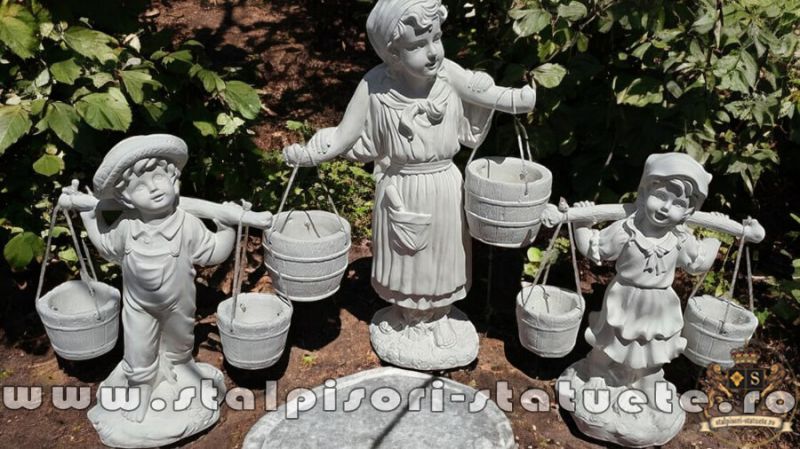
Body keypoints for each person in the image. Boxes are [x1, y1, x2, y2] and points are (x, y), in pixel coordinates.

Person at [283, 0, 535, 366]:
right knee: (407, 257)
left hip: (443, 185)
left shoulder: (448, 73)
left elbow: (489, 98)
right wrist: (309, 154)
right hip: (401, 185)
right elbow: (342, 136)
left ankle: (439, 314)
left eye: (436, 38)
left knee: (444, 255)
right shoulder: (374, 85)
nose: (433, 51)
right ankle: (408, 316)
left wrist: (514, 97)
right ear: (393, 53)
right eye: (418, 45)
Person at [60, 134, 237, 423]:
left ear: (174, 179)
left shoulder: (187, 224)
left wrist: (227, 228)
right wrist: (89, 217)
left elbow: (214, 252)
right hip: (138, 306)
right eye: (140, 186)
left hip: (179, 304)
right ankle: (141, 389)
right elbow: (106, 248)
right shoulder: (127, 226)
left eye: (159, 178)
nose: (153, 188)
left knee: (180, 344)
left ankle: (181, 371)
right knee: (138, 350)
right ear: (126, 198)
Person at [571, 152, 722, 398]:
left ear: (688, 211)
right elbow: (594, 248)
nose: (665, 207)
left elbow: (698, 263)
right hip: (624, 297)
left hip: (660, 303)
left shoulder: (680, 238)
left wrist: (714, 238)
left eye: (677, 204)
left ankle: (647, 378)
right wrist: (582, 225)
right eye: (660, 196)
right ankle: (597, 370)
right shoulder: (626, 230)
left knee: (655, 345)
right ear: (643, 194)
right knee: (611, 339)